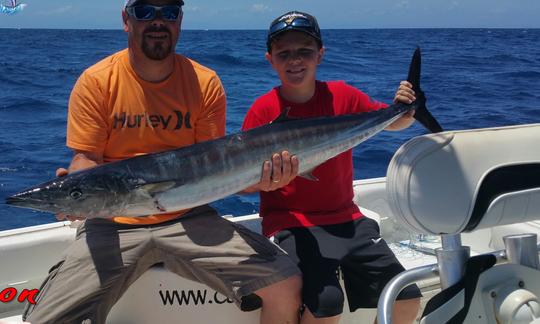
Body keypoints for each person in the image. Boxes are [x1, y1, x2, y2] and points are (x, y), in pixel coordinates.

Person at [21, 1, 302, 323]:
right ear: (126, 20)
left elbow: (214, 168)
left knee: (285, 284)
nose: (157, 20)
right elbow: (87, 158)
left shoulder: (204, 82)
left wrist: (264, 181)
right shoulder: (96, 82)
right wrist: (77, 189)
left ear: (179, 21)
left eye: (168, 12)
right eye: (144, 11)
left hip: (189, 215)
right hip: (112, 225)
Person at [242, 11, 422, 324]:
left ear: (320, 54)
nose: (295, 60)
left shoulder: (343, 96)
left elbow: (394, 122)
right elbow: (240, 180)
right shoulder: (262, 111)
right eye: (284, 53)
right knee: (326, 303)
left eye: (304, 51)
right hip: (290, 221)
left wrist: (407, 108)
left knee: (405, 296)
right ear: (270, 59)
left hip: (347, 217)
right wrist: (266, 183)